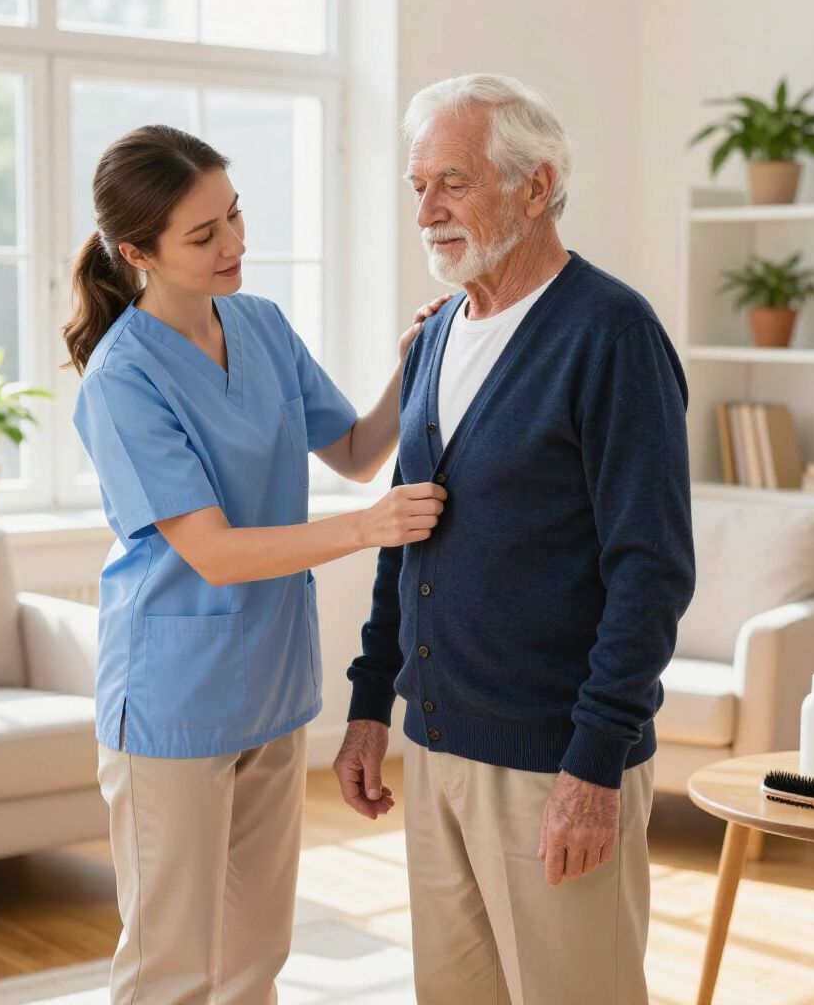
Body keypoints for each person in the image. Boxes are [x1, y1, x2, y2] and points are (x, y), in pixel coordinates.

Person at [333, 74, 696, 1005]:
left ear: (534, 188)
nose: (429, 211)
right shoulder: (435, 337)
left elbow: (651, 570)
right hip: (437, 743)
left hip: (554, 760)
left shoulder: (613, 333)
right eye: (418, 187)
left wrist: (593, 764)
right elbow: (402, 535)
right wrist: (372, 702)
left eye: (451, 182)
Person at [65, 123, 447, 1005]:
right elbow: (211, 552)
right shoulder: (123, 378)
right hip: (173, 697)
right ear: (137, 253)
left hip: (273, 680)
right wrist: (369, 530)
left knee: (253, 958)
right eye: (203, 236)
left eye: (234, 216)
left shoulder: (262, 325)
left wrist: (410, 366)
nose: (234, 245)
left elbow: (353, 449)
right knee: (170, 965)